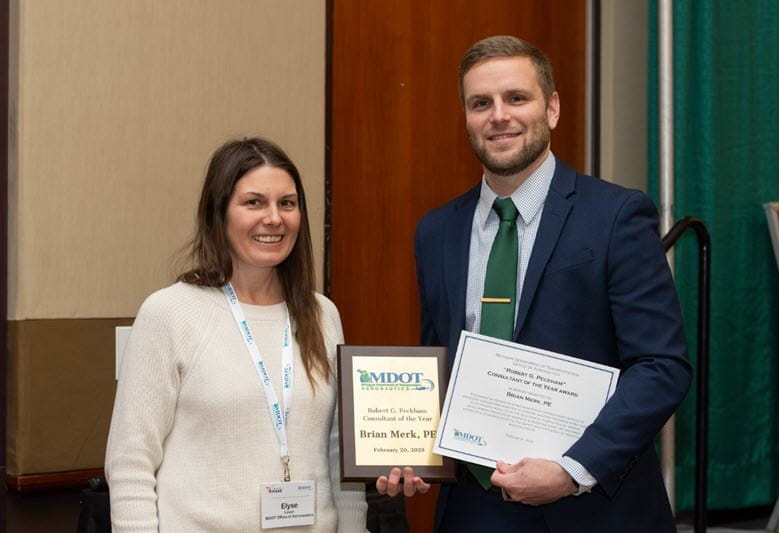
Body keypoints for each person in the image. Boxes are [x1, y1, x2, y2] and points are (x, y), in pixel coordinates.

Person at [376, 35, 692, 532]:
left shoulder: (615, 216)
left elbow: (660, 366)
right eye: (481, 103)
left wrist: (572, 468)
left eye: (516, 98)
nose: (498, 116)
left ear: (552, 108)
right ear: (466, 116)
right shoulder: (436, 231)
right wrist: (408, 452)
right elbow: (440, 363)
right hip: (475, 511)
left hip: (593, 509)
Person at [106, 137, 367, 532]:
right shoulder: (169, 313)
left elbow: (338, 448)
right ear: (219, 213)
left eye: (287, 203)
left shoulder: (322, 314)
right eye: (254, 202)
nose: (274, 218)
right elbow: (130, 461)